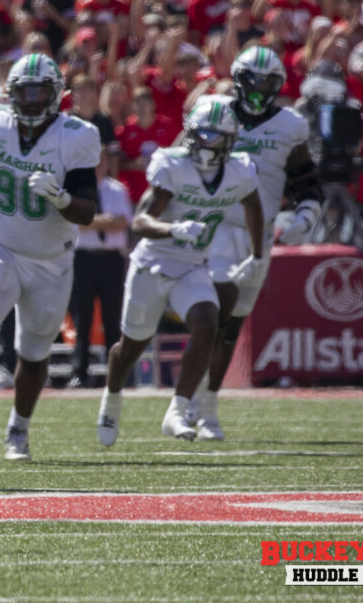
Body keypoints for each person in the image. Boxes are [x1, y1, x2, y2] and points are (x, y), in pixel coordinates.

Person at [0, 55, 99, 461]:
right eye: (23, 93)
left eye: (39, 92)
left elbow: (87, 210)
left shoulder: (76, 135)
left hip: (52, 259)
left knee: (32, 354)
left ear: (56, 96)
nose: (30, 102)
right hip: (2, 244)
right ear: (10, 94)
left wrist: (61, 197)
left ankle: (19, 428)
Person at [96, 97, 264, 447]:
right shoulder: (173, 165)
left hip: (192, 264)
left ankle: (178, 409)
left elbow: (253, 206)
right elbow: (140, 222)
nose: (207, 143)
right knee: (130, 348)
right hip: (153, 262)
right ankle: (111, 400)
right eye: (201, 134)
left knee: (208, 321)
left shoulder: (239, 171)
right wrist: (173, 229)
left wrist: (258, 254)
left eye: (215, 136)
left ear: (230, 141)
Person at [190, 47, 319, 441]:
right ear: (239, 79)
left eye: (269, 82)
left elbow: (306, 181)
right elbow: (185, 158)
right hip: (216, 227)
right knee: (213, 313)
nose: (261, 89)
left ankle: (208, 403)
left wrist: (305, 216)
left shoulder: (289, 125)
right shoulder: (216, 111)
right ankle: (190, 401)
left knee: (232, 327)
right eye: (255, 80)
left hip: (257, 237)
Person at [69, 147, 131, 388]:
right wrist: (106, 221)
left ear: (107, 163)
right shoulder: (75, 191)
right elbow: (74, 222)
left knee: (112, 318)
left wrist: (90, 221)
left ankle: (117, 372)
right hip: (83, 258)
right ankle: (79, 373)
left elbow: (122, 222)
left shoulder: (117, 190)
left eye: (101, 161)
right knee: (81, 319)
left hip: (111, 259)